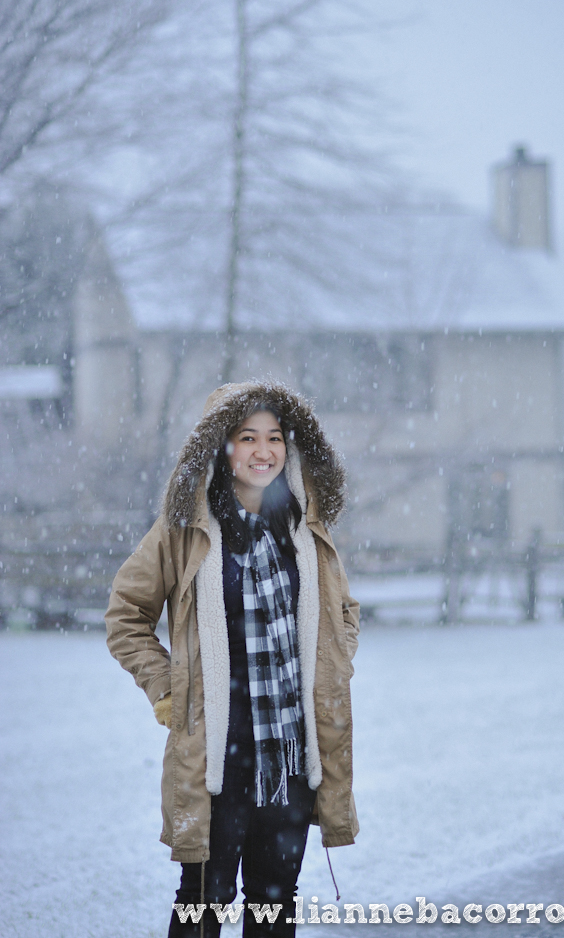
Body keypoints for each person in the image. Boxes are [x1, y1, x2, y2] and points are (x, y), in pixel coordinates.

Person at [105, 381, 360, 938]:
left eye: (274, 438)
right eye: (247, 437)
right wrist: (167, 689)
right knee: (203, 904)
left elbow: (343, 613)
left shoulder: (305, 529)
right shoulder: (184, 533)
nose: (263, 450)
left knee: (275, 905)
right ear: (220, 447)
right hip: (215, 758)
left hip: (290, 758)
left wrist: (333, 667)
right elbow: (125, 616)